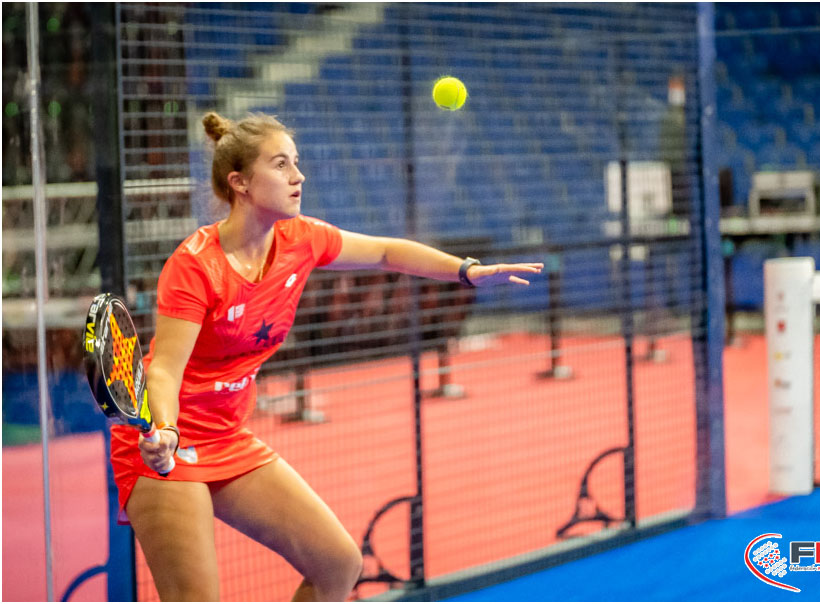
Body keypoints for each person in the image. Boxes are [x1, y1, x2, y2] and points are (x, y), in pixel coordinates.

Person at [110, 111, 543, 601]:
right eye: (280, 165)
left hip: (227, 436)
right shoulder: (195, 266)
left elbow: (385, 252)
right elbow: (164, 369)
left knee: (338, 563)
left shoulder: (301, 240)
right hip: (166, 445)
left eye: (296, 162)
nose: (298, 176)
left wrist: (466, 271)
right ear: (240, 183)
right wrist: (164, 429)